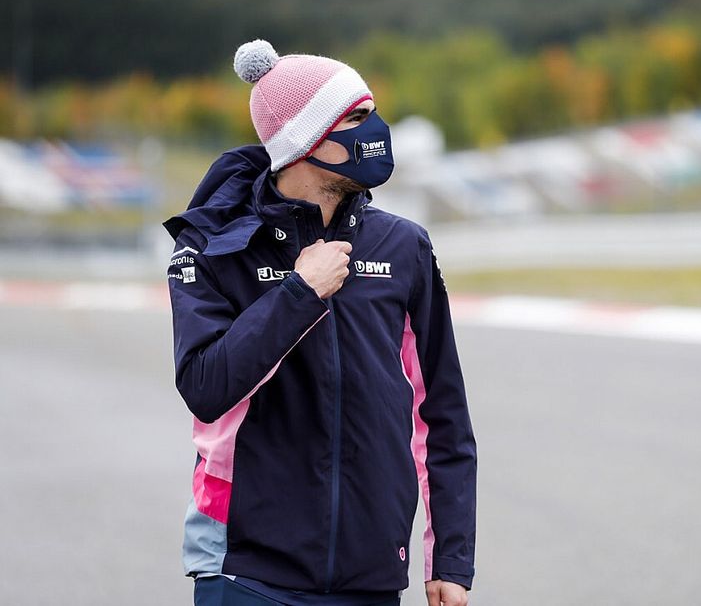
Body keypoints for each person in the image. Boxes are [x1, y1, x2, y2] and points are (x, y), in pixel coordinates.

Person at [164, 40, 477, 606]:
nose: (376, 129)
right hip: (243, 568)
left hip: (371, 574)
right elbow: (205, 387)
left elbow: (443, 415)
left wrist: (450, 559)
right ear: (306, 140)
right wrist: (299, 293)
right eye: (356, 118)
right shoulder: (212, 246)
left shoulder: (404, 247)